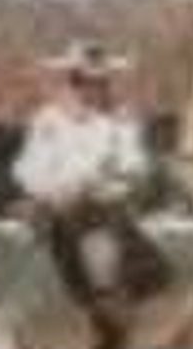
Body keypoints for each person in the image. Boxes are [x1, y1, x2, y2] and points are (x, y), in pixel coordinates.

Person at [10, 40, 170, 316]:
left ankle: (109, 313)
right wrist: (48, 189)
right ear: (73, 80)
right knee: (17, 240)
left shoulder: (120, 121)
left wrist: (100, 183)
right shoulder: (48, 119)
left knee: (99, 247)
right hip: (52, 204)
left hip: (100, 207)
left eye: (100, 81)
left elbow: (135, 164)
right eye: (83, 80)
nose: (93, 87)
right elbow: (28, 165)